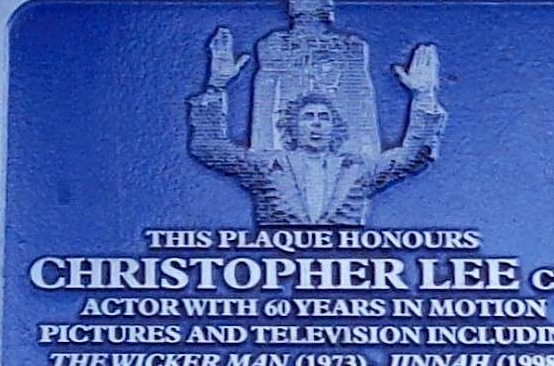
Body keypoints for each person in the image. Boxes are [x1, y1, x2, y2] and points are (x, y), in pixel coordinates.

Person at [187, 20, 446, 226]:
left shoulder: (359, 169)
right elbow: (208, 148)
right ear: (292, 127)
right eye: (308, 117)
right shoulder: (265, 166)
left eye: (324, 118)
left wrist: (424, 96)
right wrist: (216, 86)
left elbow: (414, 156)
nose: (316, 124)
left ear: (335, 128)